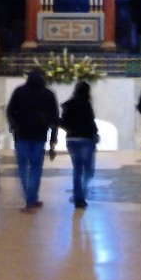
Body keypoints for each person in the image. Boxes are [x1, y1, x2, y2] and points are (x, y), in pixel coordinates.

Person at [5, 68, 59, 210]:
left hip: (21, 134)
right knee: (35, 168)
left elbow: (10, 111)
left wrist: (13, 126)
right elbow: (55, 118)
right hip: (40, 135)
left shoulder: (19, 92)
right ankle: (32, 198)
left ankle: (30, 198)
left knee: (23, 168)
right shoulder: (48, 94)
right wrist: (53, 140)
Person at [59, 80, 100, 209]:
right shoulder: (86, 104)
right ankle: (81, 192)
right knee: (88, 170)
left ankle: (78, 197)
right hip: (86, 139)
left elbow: (64, 123)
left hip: (72, 139)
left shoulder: (68, 105)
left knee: (77, 169)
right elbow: (91, 122)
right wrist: (95, 134)